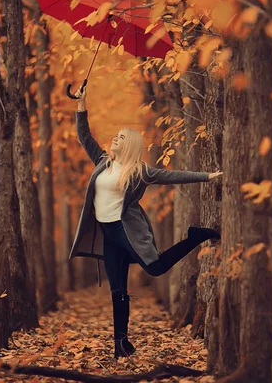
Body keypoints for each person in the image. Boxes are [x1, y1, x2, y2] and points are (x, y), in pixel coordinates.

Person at [69, 87, 222, 359]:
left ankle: (195, 237)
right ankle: (121, 343)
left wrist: (207, 176)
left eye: (120, 138)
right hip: (108, 235)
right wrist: (81, 103)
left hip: (127, 232)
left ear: (129, 145)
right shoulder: (102, 162)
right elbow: (84, 136)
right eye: (115, 136)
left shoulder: (140, 172)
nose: (114, 139)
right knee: (117, 290)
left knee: (156, 268)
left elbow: (173, 175)